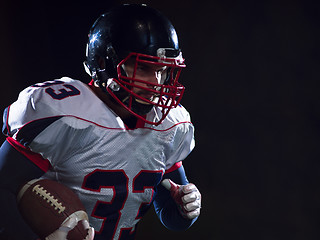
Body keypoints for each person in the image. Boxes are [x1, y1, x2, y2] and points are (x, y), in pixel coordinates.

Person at [0, 3, 201, 240]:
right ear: (104, 64)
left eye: (163, 70)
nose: (156, 82)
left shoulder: (169, 124)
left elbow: (171, 216)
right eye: (145, 68)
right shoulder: (66, 114)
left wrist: (183, 209)